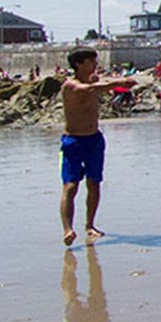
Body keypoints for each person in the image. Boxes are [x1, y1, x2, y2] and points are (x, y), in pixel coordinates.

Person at [59, 48, 138, 246]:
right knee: (70, 186)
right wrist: (119, 82)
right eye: (91, 62)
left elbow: (96, 84)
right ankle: (68, 229)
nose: (95, 65)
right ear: (78, 64)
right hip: (73, 141)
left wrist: (109, 82)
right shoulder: (70, 85)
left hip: (93, 139)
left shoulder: (92, 81)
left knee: (94, 183)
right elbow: (89, 90)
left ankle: (90, 225)